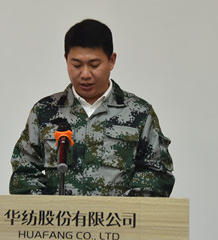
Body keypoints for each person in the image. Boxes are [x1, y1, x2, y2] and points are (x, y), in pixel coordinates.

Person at [9, 19, 175, 197]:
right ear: (66, 59)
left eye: (94, 65)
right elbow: (23, 172)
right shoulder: (44, 112)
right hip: (58, 216)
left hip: (119, 215)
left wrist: (123, 210)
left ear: (112, 61)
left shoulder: (139, 113)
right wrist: (50, 208)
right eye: (76, 65)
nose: (85, 74)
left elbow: (157, 175)